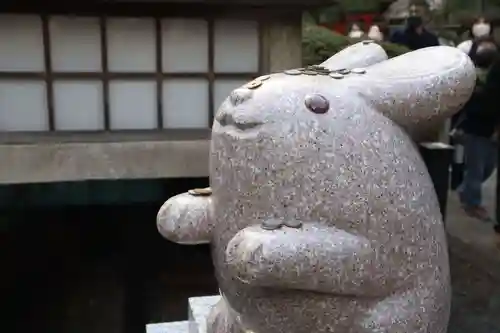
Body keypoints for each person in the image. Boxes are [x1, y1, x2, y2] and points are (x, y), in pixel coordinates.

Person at [456, 38, 500, 222]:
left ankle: (465, 191)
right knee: (477, 168)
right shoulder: (474, 78)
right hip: (476, 128)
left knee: (488, 167)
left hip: (489, 129)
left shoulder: (489, 78)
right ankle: (472, 203)